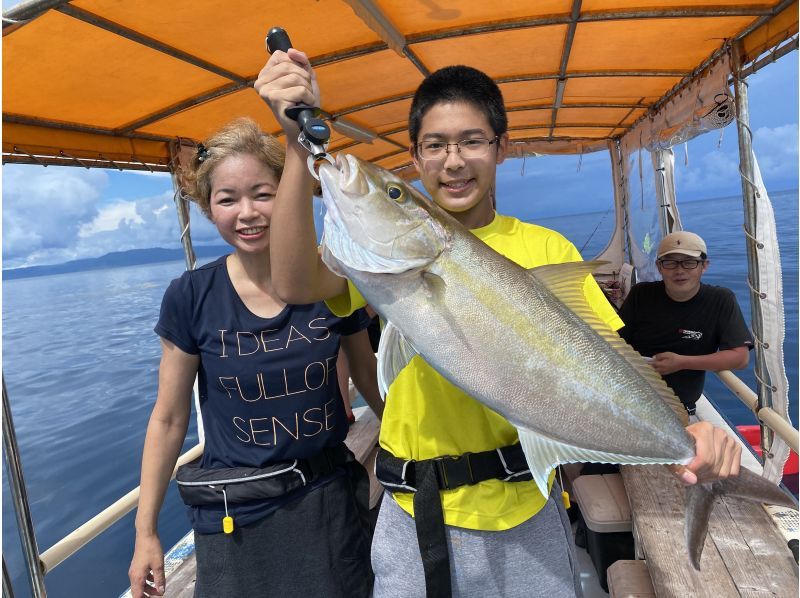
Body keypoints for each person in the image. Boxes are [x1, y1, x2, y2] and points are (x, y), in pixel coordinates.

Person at [255, 52, 742, 597]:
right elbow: (294, 284)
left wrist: (684, 433)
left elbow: (609, 362)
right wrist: (298, 146)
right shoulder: (373, 266)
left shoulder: (544, 248)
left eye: (472, 141)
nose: (454, 160)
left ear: (501, 148)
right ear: (415, 157)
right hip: (412, 515)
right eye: (435, 145)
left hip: (523, 512)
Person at [128, 118, 382, 598]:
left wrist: (409, 449)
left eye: (263, 194)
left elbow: (367, 373)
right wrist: (145, 533)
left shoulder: (331, 278)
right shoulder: (191, 296)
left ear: (288, 192)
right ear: (209, 208)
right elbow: (168, 419)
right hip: (238, 514)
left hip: (327, 501)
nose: (247, 213)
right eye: (227, 199)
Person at [619, 231, 753, 417]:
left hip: (677, 408)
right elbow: (615, 342)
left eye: (689, 262)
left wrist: (682, 362)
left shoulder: (720, 300)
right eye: (670, 262)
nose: (679, 270)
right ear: (659, 267)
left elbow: (740, 358)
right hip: (625, 399)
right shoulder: (641, 294)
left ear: (704, 266)